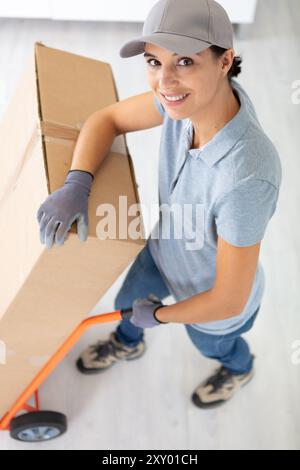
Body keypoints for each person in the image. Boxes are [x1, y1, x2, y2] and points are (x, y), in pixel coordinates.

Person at [36, 0, 282, 409]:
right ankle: (127, 343)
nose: (164, 80)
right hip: (165, 249)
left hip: (213, 301)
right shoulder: (185, 102)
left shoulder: (247, 177)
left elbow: (228, 299)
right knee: (125, 307)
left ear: (226, 61)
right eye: (153, 61)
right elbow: (105, 120)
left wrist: (162, 316)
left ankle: (239, 367)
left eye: (185, 61)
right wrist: (77, 182)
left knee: (212, 344)